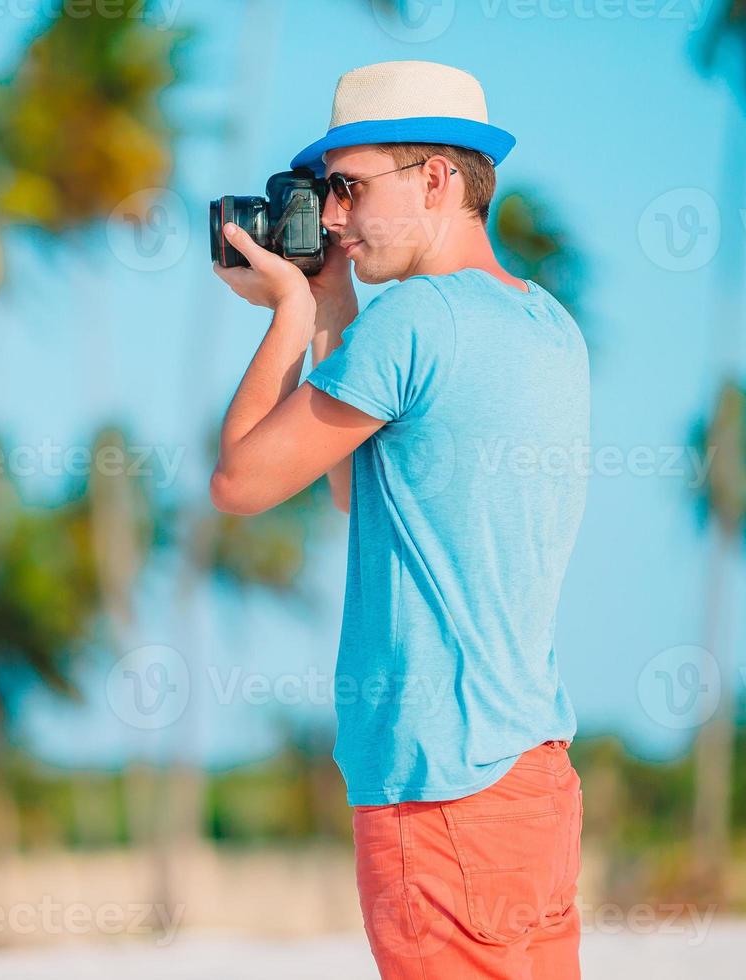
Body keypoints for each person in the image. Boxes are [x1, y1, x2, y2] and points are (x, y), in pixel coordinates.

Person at [209, 60, 589, 979]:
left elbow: (241, 481)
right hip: (531, 776)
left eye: (348, 186)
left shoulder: (415, 322)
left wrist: (291, 315)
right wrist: (337, 308)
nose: (331, 215)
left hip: (439, 788)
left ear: (435, 180)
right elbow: (356, 489)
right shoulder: (546, 324)